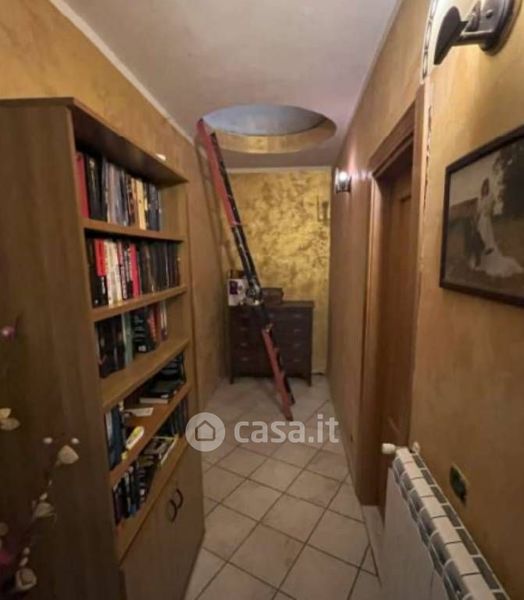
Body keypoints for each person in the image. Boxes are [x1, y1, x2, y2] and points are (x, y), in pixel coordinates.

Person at [470, 177, 523, 277]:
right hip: (480, 222)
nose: (485, 188)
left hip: (486, 221)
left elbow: (490, 210)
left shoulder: (490, 197)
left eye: (487, 187)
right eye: (484, 186)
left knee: (487, 241)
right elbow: (478, 212)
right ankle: (480, 262)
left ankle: (489, 263)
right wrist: (475, 222)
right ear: (482, 187)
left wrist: (489, 209)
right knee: (479, 242)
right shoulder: (480, 199)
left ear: (488, 188)